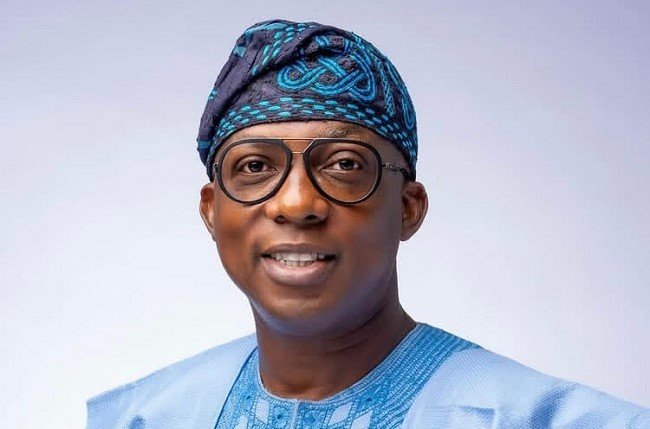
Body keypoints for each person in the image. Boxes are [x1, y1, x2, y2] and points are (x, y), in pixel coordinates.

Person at [86, 20, 649, 429]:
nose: (297, 203)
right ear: (212, 211)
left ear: (408, 208)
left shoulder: (535, 419)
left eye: (344, 166)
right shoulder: (146, 417)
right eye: (255, 167)